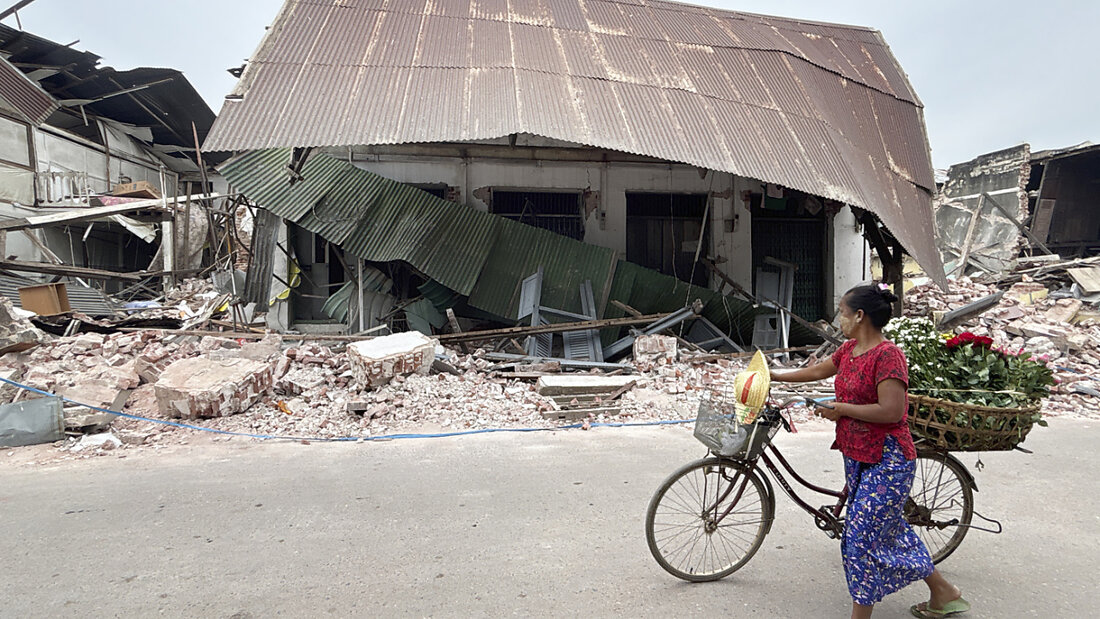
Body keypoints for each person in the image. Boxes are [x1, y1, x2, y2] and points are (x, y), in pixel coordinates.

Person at [770, 283, 970, 619]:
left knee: (858, 539)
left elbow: (892, 411)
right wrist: (776, 376)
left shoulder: (888, 355)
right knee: (889, 529)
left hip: (889, 459)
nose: (840, 320)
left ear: (860, 315)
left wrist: (842, 409)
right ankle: (943, 592)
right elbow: (818, 370)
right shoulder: (849, 350)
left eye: (843, 313)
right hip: (857, 456)